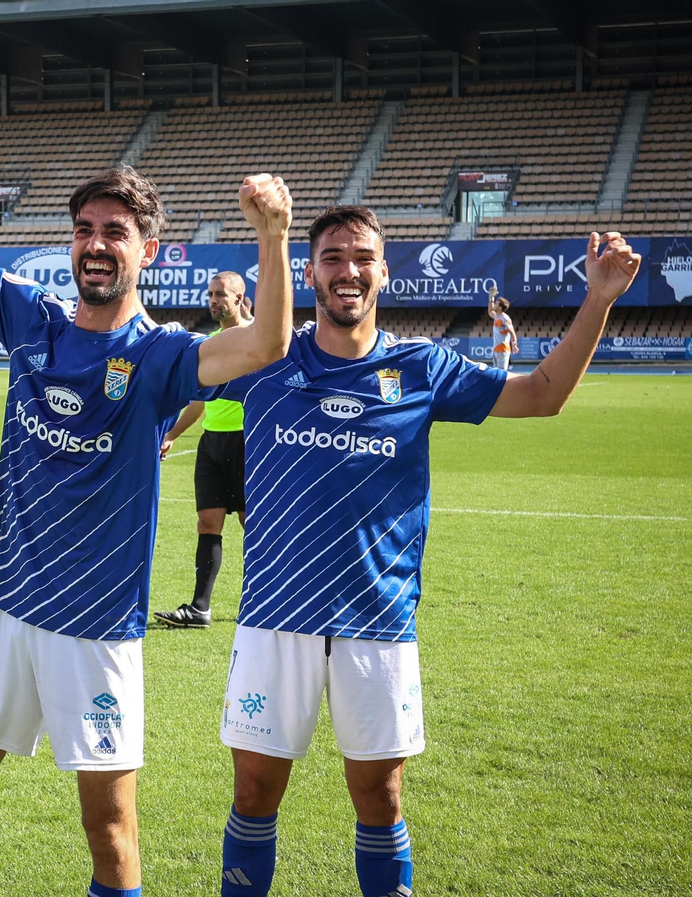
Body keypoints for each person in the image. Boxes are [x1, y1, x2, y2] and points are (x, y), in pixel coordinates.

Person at [0, 73, 293, 897]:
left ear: (146, 251)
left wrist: (273, 239)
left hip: (96, 632)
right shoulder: (34, 320)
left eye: (115, 232)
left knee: (110, 833)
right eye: (84, 229)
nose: (95, 243)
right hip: (4, 612)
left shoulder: (161, 357)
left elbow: (264, 346)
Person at [210, 208, 639, 897]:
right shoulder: (263, 360)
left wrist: (598, 299)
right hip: (273, 617)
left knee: (379, 795)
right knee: (255, 789)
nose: (347, 270)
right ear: (309, 271)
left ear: (383, 270)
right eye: (332, 257)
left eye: (361, 257)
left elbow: (542, 394)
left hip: (377, 619)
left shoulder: (422, 366)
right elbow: (163, 380)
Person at [154, 272, 253, 629]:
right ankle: (199, 608)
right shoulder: (208, 344)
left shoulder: (258, 339)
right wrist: (173, 434)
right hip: (212, 443)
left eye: (220, 295)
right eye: (210, 294)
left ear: (240, 298)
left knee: (252, 524)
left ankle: (263, 600)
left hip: (247, 441)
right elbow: (197, 402)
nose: (213, 300)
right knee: (207, 523)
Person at [488, 287, 518, 371]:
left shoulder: (505, 318)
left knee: (501, 374)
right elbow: (490, 312)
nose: (494, 305)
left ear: (500, 307)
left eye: (496, 303)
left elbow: (512, 332)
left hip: (502, 350)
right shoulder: (497, 316)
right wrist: (491, 298)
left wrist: (515, 344)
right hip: (496, 349)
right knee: (495, 373)